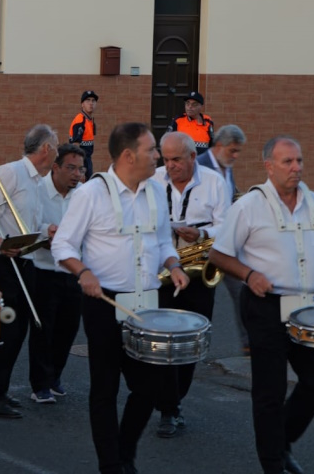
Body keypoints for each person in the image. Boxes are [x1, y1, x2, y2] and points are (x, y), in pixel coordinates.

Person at [50, 122, 185, 474]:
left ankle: (124, 453)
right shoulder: (91, 194)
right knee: (105, 388)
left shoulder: (156, 191)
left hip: (147, 304)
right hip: (103, 302)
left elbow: (163, 240)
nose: (158, 156)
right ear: (128, 155)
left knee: (150, 388)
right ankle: (111, 465)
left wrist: (173, 264)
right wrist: (83, 272)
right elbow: (62, 244)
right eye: (152, 150)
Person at [209, 136, 314, 474]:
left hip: (311, 306)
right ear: (268, 166)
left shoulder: (313, 201)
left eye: (299, 161)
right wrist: (249, 273)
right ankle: (272, 463)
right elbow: (218, 255)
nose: (296, 168)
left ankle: (280, 440)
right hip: (265, 306)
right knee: (269, 390)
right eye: (287, 162)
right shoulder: (248, 206)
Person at [0, 124, 60, 419]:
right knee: (9, 330)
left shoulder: (38, 181)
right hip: (5, 260)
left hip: (27, 259)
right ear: (46, 149)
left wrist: (45, 231)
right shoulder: (10, 172)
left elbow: (28, 223)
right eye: (56, 147)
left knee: (20, 329)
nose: (57, 154)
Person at [152, 131, 229, 438]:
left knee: (189, 343)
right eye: (166, 159)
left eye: (176, 160)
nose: (170, 166)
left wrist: (202, 234)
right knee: (162, 343)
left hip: (199, 274)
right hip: (161, 273)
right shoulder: (154, 179)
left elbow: (228, 227)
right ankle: (168, 409)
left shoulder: (214, 182)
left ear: (192, 157)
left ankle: (174, 401)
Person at [26, 143, 85, 404]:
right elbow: (26, 223)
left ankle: (54, 377)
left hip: (73, 271)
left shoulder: (84, 193)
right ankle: (40, 385)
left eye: (80, 169)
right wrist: (45, 231)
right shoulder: (37, 190)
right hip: (43, 269)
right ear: (56, 167)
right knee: (43, 330)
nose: (77, 174)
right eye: (71, 168)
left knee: (68, 329)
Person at [200, 124, 248, 350]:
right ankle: (196, 339)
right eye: (232, 151)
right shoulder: (199, 165)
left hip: (226, 243)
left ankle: (248, 343)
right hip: (201, 246)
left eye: (238, 151)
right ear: (218, 146)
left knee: (241, 290)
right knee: (201, 298)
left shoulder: (226, 166)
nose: (235, 156)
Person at [166, 91, 215, 155]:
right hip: (183, 161)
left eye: (194, 104)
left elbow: (212, 144)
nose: (190, 107)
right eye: (187, 103)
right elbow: (167, 140)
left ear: (201, 106)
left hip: (202, 161)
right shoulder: (178, 121)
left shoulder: (208, 122)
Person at [70, 90, 99, 177]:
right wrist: (79, 170)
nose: (91, 103)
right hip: (81, 161)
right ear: (82, 104)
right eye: (88, 100)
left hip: (87, 159)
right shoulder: (80, 120)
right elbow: (75, 146)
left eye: (93, 101)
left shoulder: (89, 120)